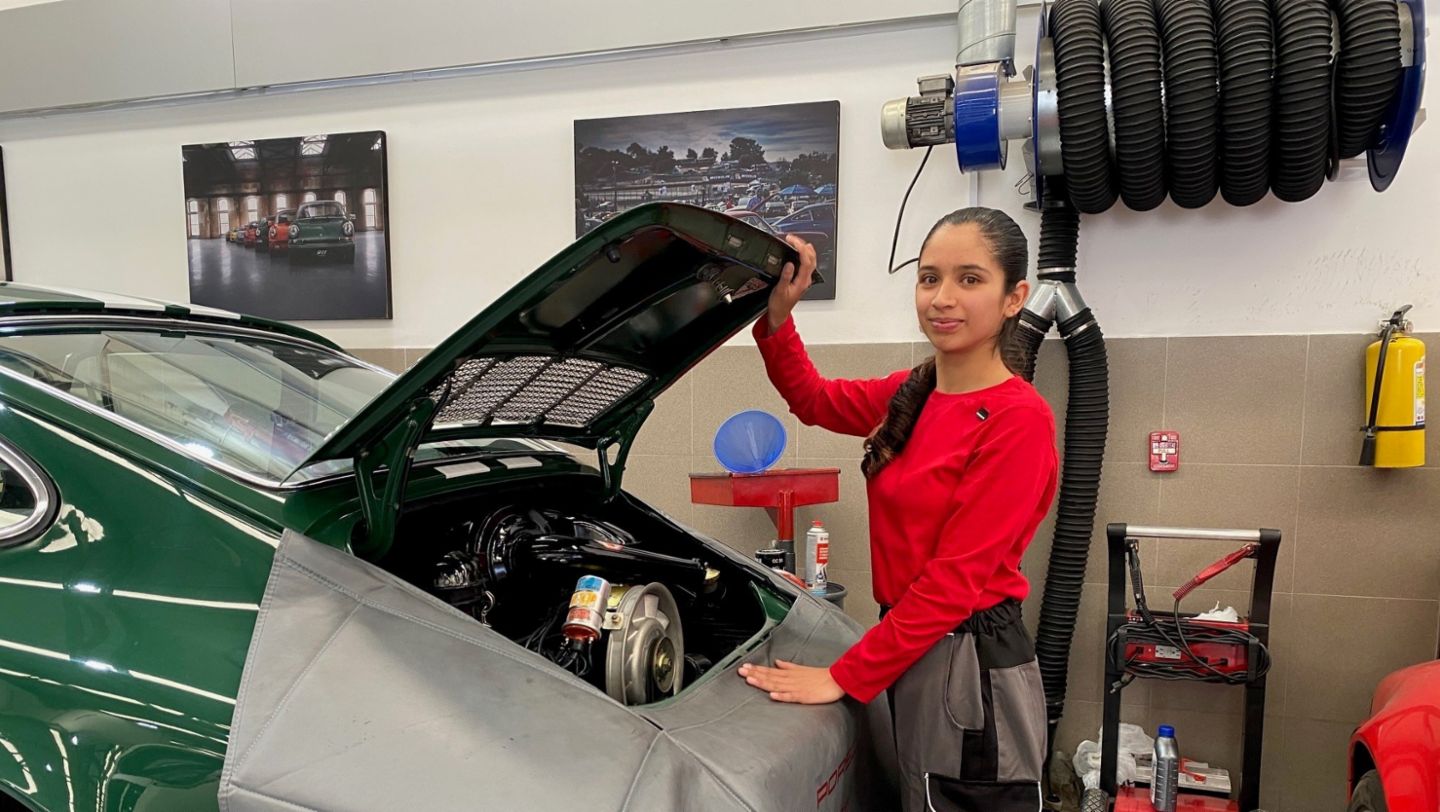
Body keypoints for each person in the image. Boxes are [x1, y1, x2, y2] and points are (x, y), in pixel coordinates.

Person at [737, 208, 1059, 812]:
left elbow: (953, 583)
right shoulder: (914, 393)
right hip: (912, 642)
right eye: (929, 277)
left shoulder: (1018, 420)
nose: (942, 298)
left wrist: (844, 675)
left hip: (968, 666)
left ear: (1015, 296)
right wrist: (777, 319)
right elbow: (814, 400)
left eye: (969, 279)